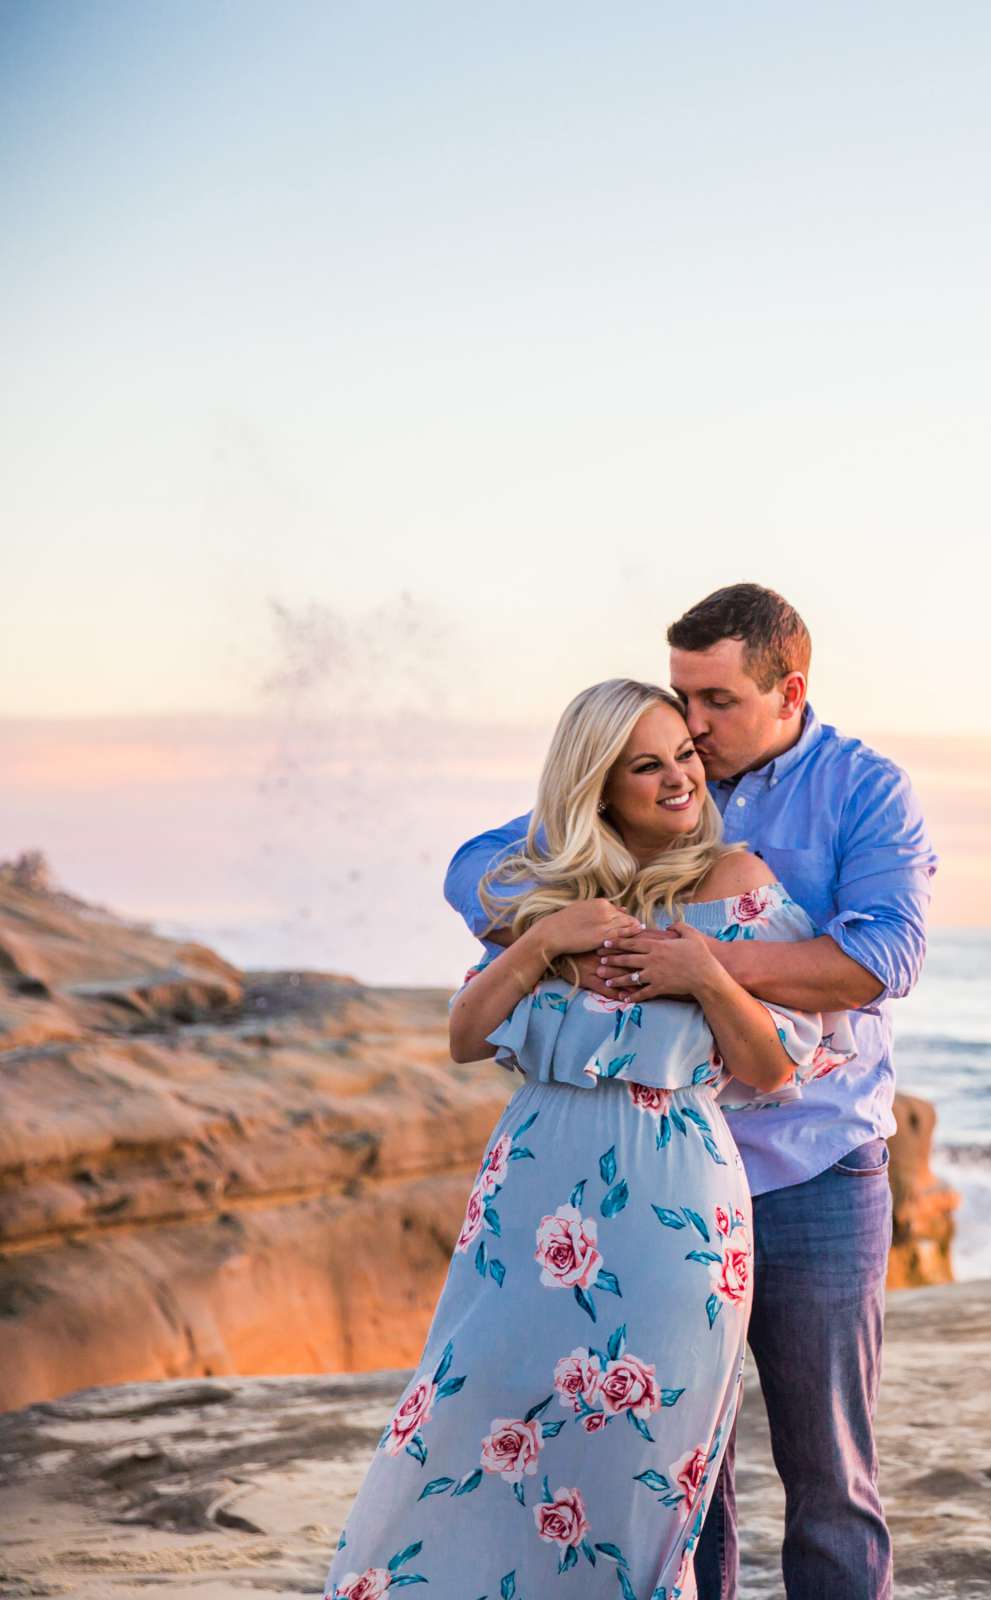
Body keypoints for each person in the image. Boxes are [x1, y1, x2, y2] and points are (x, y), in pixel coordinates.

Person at [444, 584, 936, 1600]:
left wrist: (698, 961)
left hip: (813, 1172)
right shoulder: (655, 776)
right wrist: (566, 946)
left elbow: (880, 956)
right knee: (673, 1467)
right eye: (680, 697)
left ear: (787, 688)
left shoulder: (862, 790)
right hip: (658, 1187)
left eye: (713, 701)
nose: (692, 731)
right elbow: (476, 866)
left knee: (830, 1468)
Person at [324, 678, 852, 1600]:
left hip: (676, 1207)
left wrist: (707, 972)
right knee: (470, 1420)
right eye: (648, 766)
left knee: (636, 1462)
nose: (681, 778)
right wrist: (541, 942)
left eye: (685, 754)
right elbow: (465, 1037)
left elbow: (775, 1069)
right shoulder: (550, 892)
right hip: (530, 1197)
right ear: (598, 787)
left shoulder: (740, 885)